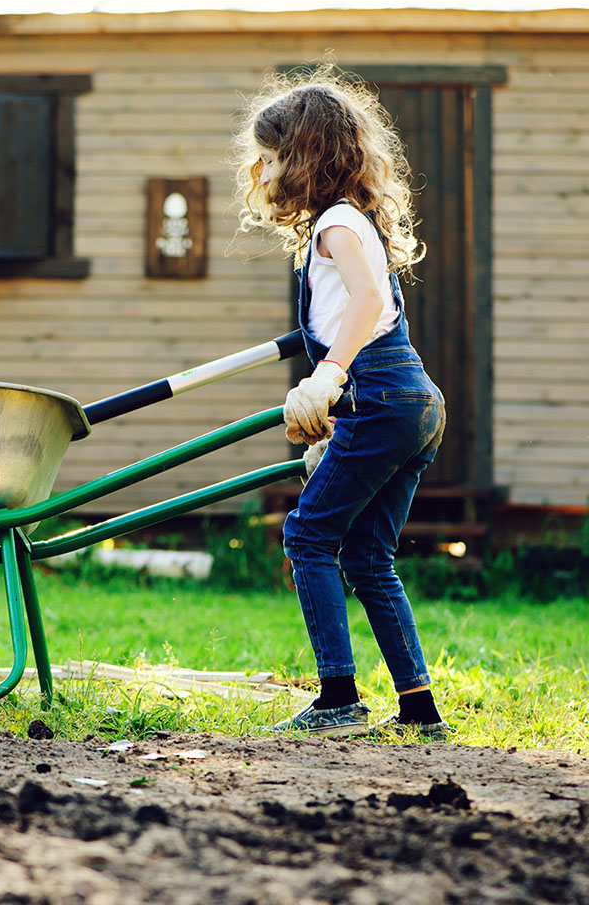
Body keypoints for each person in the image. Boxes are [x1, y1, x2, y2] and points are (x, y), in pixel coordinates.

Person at [233, 65, 449, 741]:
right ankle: (419, 709)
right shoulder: (354, 221)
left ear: (300, 159)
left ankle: (338, 699)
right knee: (367, 555)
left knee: (307, 535)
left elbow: (369, 302)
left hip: (381, 394)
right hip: (412, 401)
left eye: (268, 158)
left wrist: (327, 376)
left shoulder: (334, 224)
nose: (260, 171)